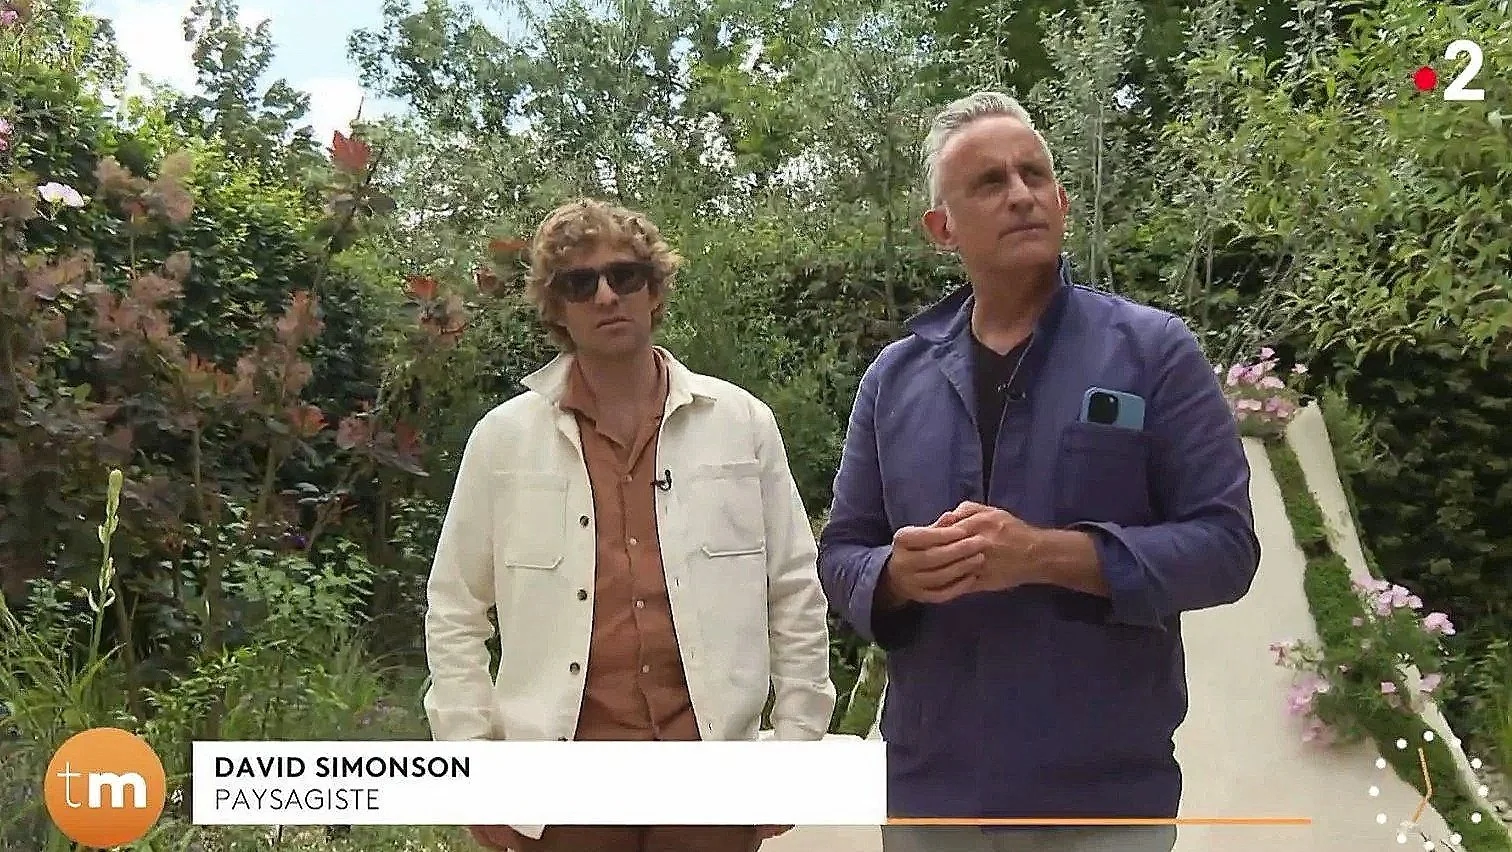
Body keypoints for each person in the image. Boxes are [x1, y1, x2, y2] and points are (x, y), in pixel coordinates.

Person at [818, 92, 1262, 852]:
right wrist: (895, 575)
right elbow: (841, 551)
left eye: (1033, 174)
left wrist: (1047, 555)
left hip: (1103, 797)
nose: (1021, 194)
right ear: (941, 228)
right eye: (989, 182)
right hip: (933, 794)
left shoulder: (1154, 353)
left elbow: (1226, 548)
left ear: (1061, 199)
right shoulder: (895, 378)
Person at [424, 198, 836, 852]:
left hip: (711, 774)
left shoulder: (741, 424)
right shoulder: (504, 441)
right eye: (579, 283)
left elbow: (794, 589)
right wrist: (470, 761)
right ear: (555, 306)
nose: (607, 295)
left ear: (654, 289)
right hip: (560, 785)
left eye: (626, 275)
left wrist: (795, 749)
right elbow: (455, 606)